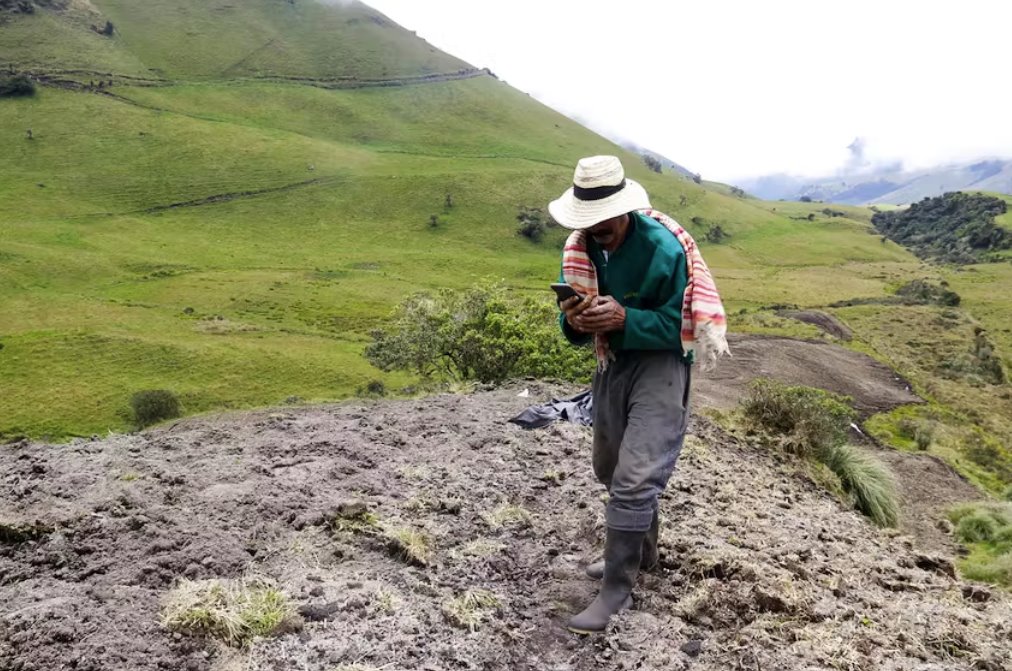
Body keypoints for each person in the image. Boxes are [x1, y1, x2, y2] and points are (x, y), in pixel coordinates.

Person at [548, 155, 728, 634]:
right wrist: (577, 321)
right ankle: (643, 552)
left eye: (603, 218)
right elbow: (572, 332)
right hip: (615, 363)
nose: (596, 228)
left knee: (635, 476)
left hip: (662, 364)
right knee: (609, 467)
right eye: (588, 220)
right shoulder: (579, 250)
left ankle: (616, 589)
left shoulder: (665, 249)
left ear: (624, 209)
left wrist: (627, 319)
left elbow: (684, 325)